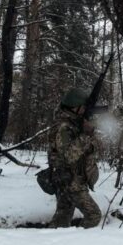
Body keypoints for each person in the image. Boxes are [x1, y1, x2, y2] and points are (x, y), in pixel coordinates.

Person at [47, 88, 101, 229]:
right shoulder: (63, 127)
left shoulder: (74, 122)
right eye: (82, 107)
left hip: (69, 179)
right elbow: (68, 156)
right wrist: (86, 135)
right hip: (70, 182)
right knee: (94, 216)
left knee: (62, 219)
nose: (84, 110)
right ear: (74, 107)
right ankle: (78, 244)